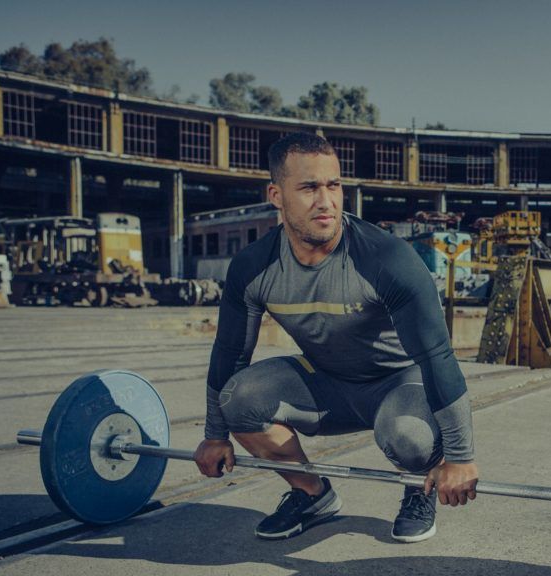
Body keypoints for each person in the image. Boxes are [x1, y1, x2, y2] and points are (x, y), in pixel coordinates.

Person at [192, 132, 478, 543]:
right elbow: (230, 354)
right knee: (238, 399)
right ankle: (312, 494)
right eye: (309, 187)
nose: (325, 201)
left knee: (409, 437)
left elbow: (437, 357)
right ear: (276, 194)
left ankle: (419, 486)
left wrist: (461, 458)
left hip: (399, 383)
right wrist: (216, 435)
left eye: (334, 185)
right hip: (326, 383)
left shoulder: (387, 258)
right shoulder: (253, 268)